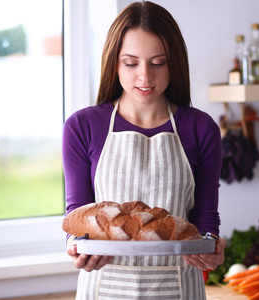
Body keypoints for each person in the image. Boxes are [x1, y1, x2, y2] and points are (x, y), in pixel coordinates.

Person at [62, 1, 226, 299]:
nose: (145, 77)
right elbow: (78, 216)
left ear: (174, 62)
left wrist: (212, 246)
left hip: (178, 288)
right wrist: (75, 245)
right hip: (103, 288)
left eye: (158, 62)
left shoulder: (201, 128)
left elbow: (205, 220)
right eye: (131, 62)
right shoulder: (82, 126)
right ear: (114, 62)